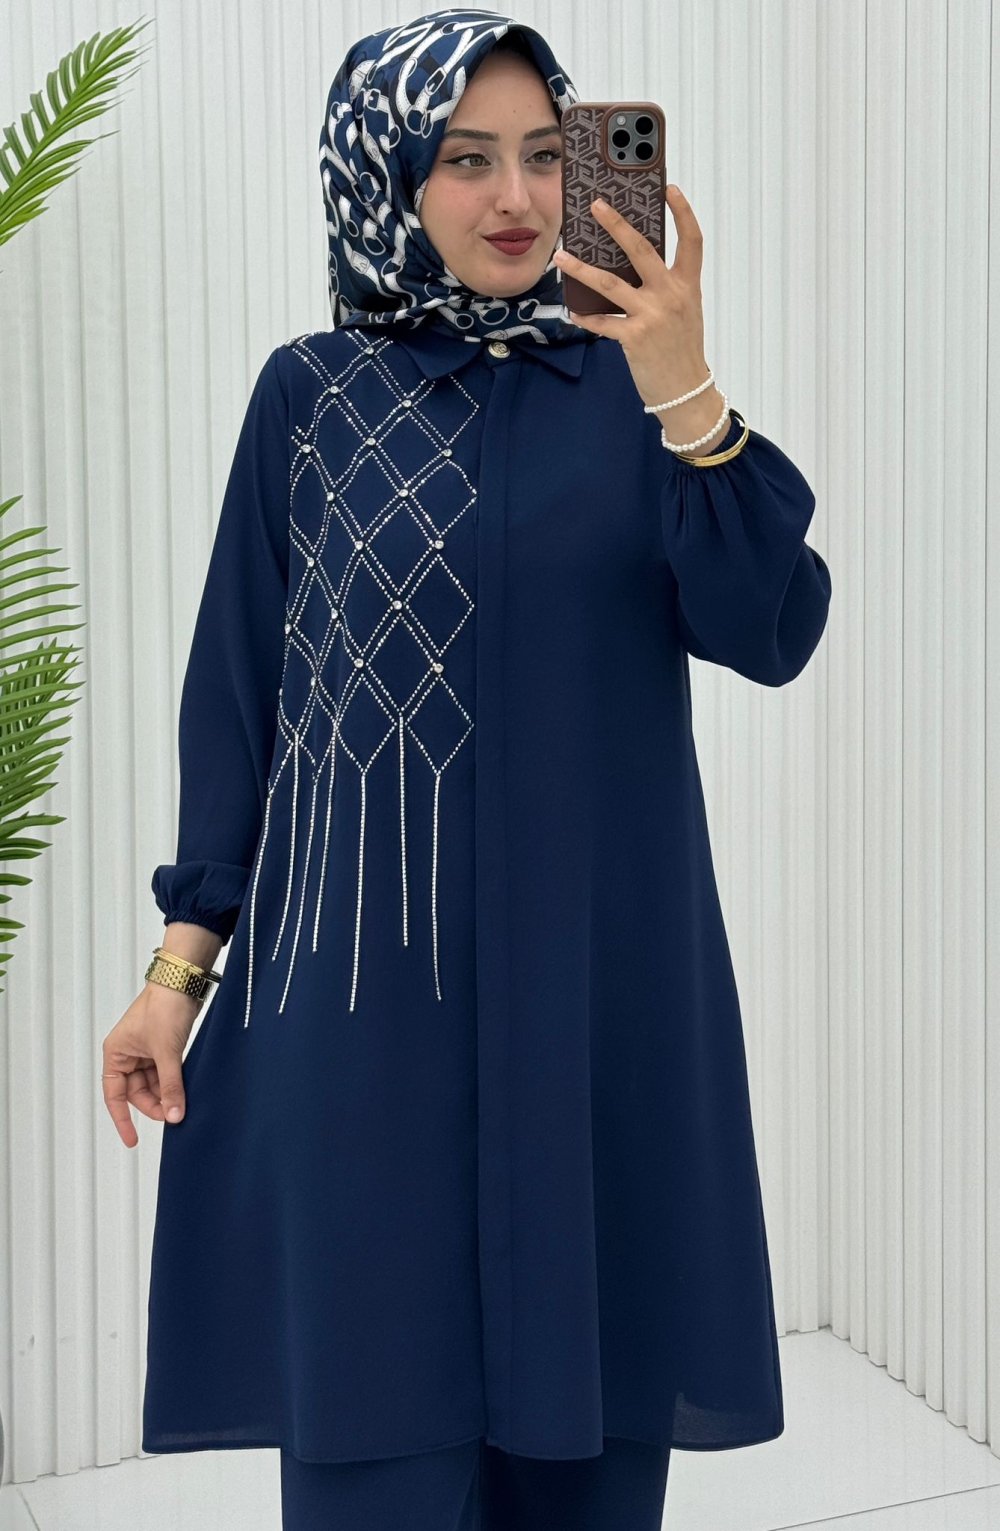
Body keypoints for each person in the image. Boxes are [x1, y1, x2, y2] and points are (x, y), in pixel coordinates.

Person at [101, 9, 832, 1528]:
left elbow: (770, 629)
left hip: (592, 1013)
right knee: (373, 1443)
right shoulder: (308, 399)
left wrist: (688, 391)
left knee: (586, 1454)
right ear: (390, 176)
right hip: (365, 1020)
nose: (516, 198)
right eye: (465, 158)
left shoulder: (634, 398)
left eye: (549, 156)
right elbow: (237, 701)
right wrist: (177, 972)